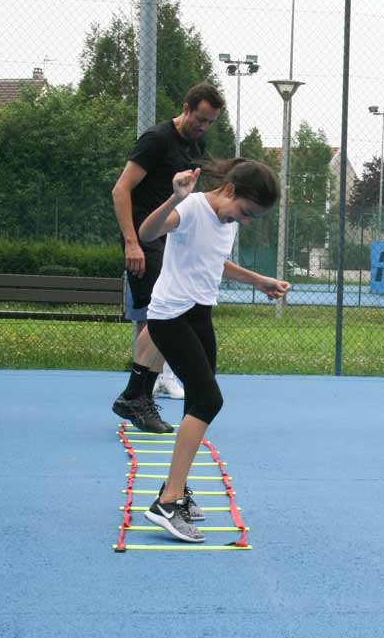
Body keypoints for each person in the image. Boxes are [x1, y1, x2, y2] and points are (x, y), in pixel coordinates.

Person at [137, 158, 289, 542]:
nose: (245, 220)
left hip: (200, 314)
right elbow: (147, 232)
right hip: (170, 316)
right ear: (230, 191)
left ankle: (175, 489)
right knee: (209, 400)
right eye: (246, 212)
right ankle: (166, 503)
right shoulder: (191, 208)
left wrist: (258, 280)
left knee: (196, 402)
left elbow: (214, 261)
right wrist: (174, 198)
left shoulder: (227, 220)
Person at [111, 82, 225, 432]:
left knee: (171, 315)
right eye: (200, 119)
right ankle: (136, 395)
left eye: (210, 122)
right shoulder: (157, 139)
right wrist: (132, 242)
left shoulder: (195, 145)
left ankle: (137, 395)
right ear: (186, 107)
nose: (203, 127)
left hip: (171, 241)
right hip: (145, 240)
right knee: (165, 316)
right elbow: (120, 189)